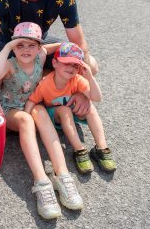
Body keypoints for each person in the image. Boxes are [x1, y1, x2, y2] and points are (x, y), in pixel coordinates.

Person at [0, 22, 83, 220]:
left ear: (39, 47)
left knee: (39, 112)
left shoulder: (41, 55)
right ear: (14, 47)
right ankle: (41, 182)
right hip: (11, 110)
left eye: (31, 45)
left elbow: (54, 47)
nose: (25, 50)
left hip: (32, 103)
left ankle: (62, 175)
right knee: (26, 120)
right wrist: (6, 47)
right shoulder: (9, 65)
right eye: (20, 45)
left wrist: (70, 49)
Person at [25, 42, 117, 174]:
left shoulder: (77, 80)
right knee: (64, 110)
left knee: (90, 107)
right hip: (55, 116)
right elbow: (31, 101)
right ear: (55, 63)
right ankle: (79, 150)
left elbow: (97, 98)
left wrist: (90, 77)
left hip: (73, 113)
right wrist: (29, 123)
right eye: (67, 63)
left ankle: (102, 147)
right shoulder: (45, 83)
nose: (71, 68)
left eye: (75, 65)